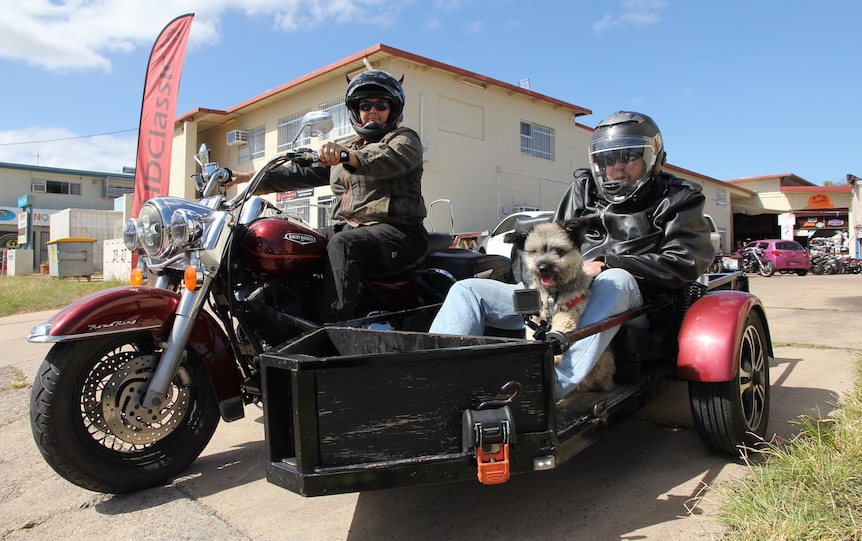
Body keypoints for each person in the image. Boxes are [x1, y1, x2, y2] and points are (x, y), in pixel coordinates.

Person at [429, 111, 715, 399]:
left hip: (632, 300)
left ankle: (546, 388)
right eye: (606, 159)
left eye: (627, 156)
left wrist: (607, 264)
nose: (616, 167)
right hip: (559, 292)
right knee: (467, 290)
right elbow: (551, 238)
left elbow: (685, 262)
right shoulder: (584, 189)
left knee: (615, 279)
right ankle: (429, 381)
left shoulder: (678, 196)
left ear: (652, 156)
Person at [232, 69, 428, 323]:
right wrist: (244, 178)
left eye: (381, 104)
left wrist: (346, 156)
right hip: (350, 228)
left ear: (394, 109)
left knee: (343, 245)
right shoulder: (349, 147)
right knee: (294, 240)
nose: (372, 110)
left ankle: (333, 332)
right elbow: (298, 174)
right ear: (355, 110)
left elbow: (384, 160)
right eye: (364, 104)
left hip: (400, 234)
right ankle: (278, 319)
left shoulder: (404, 140)